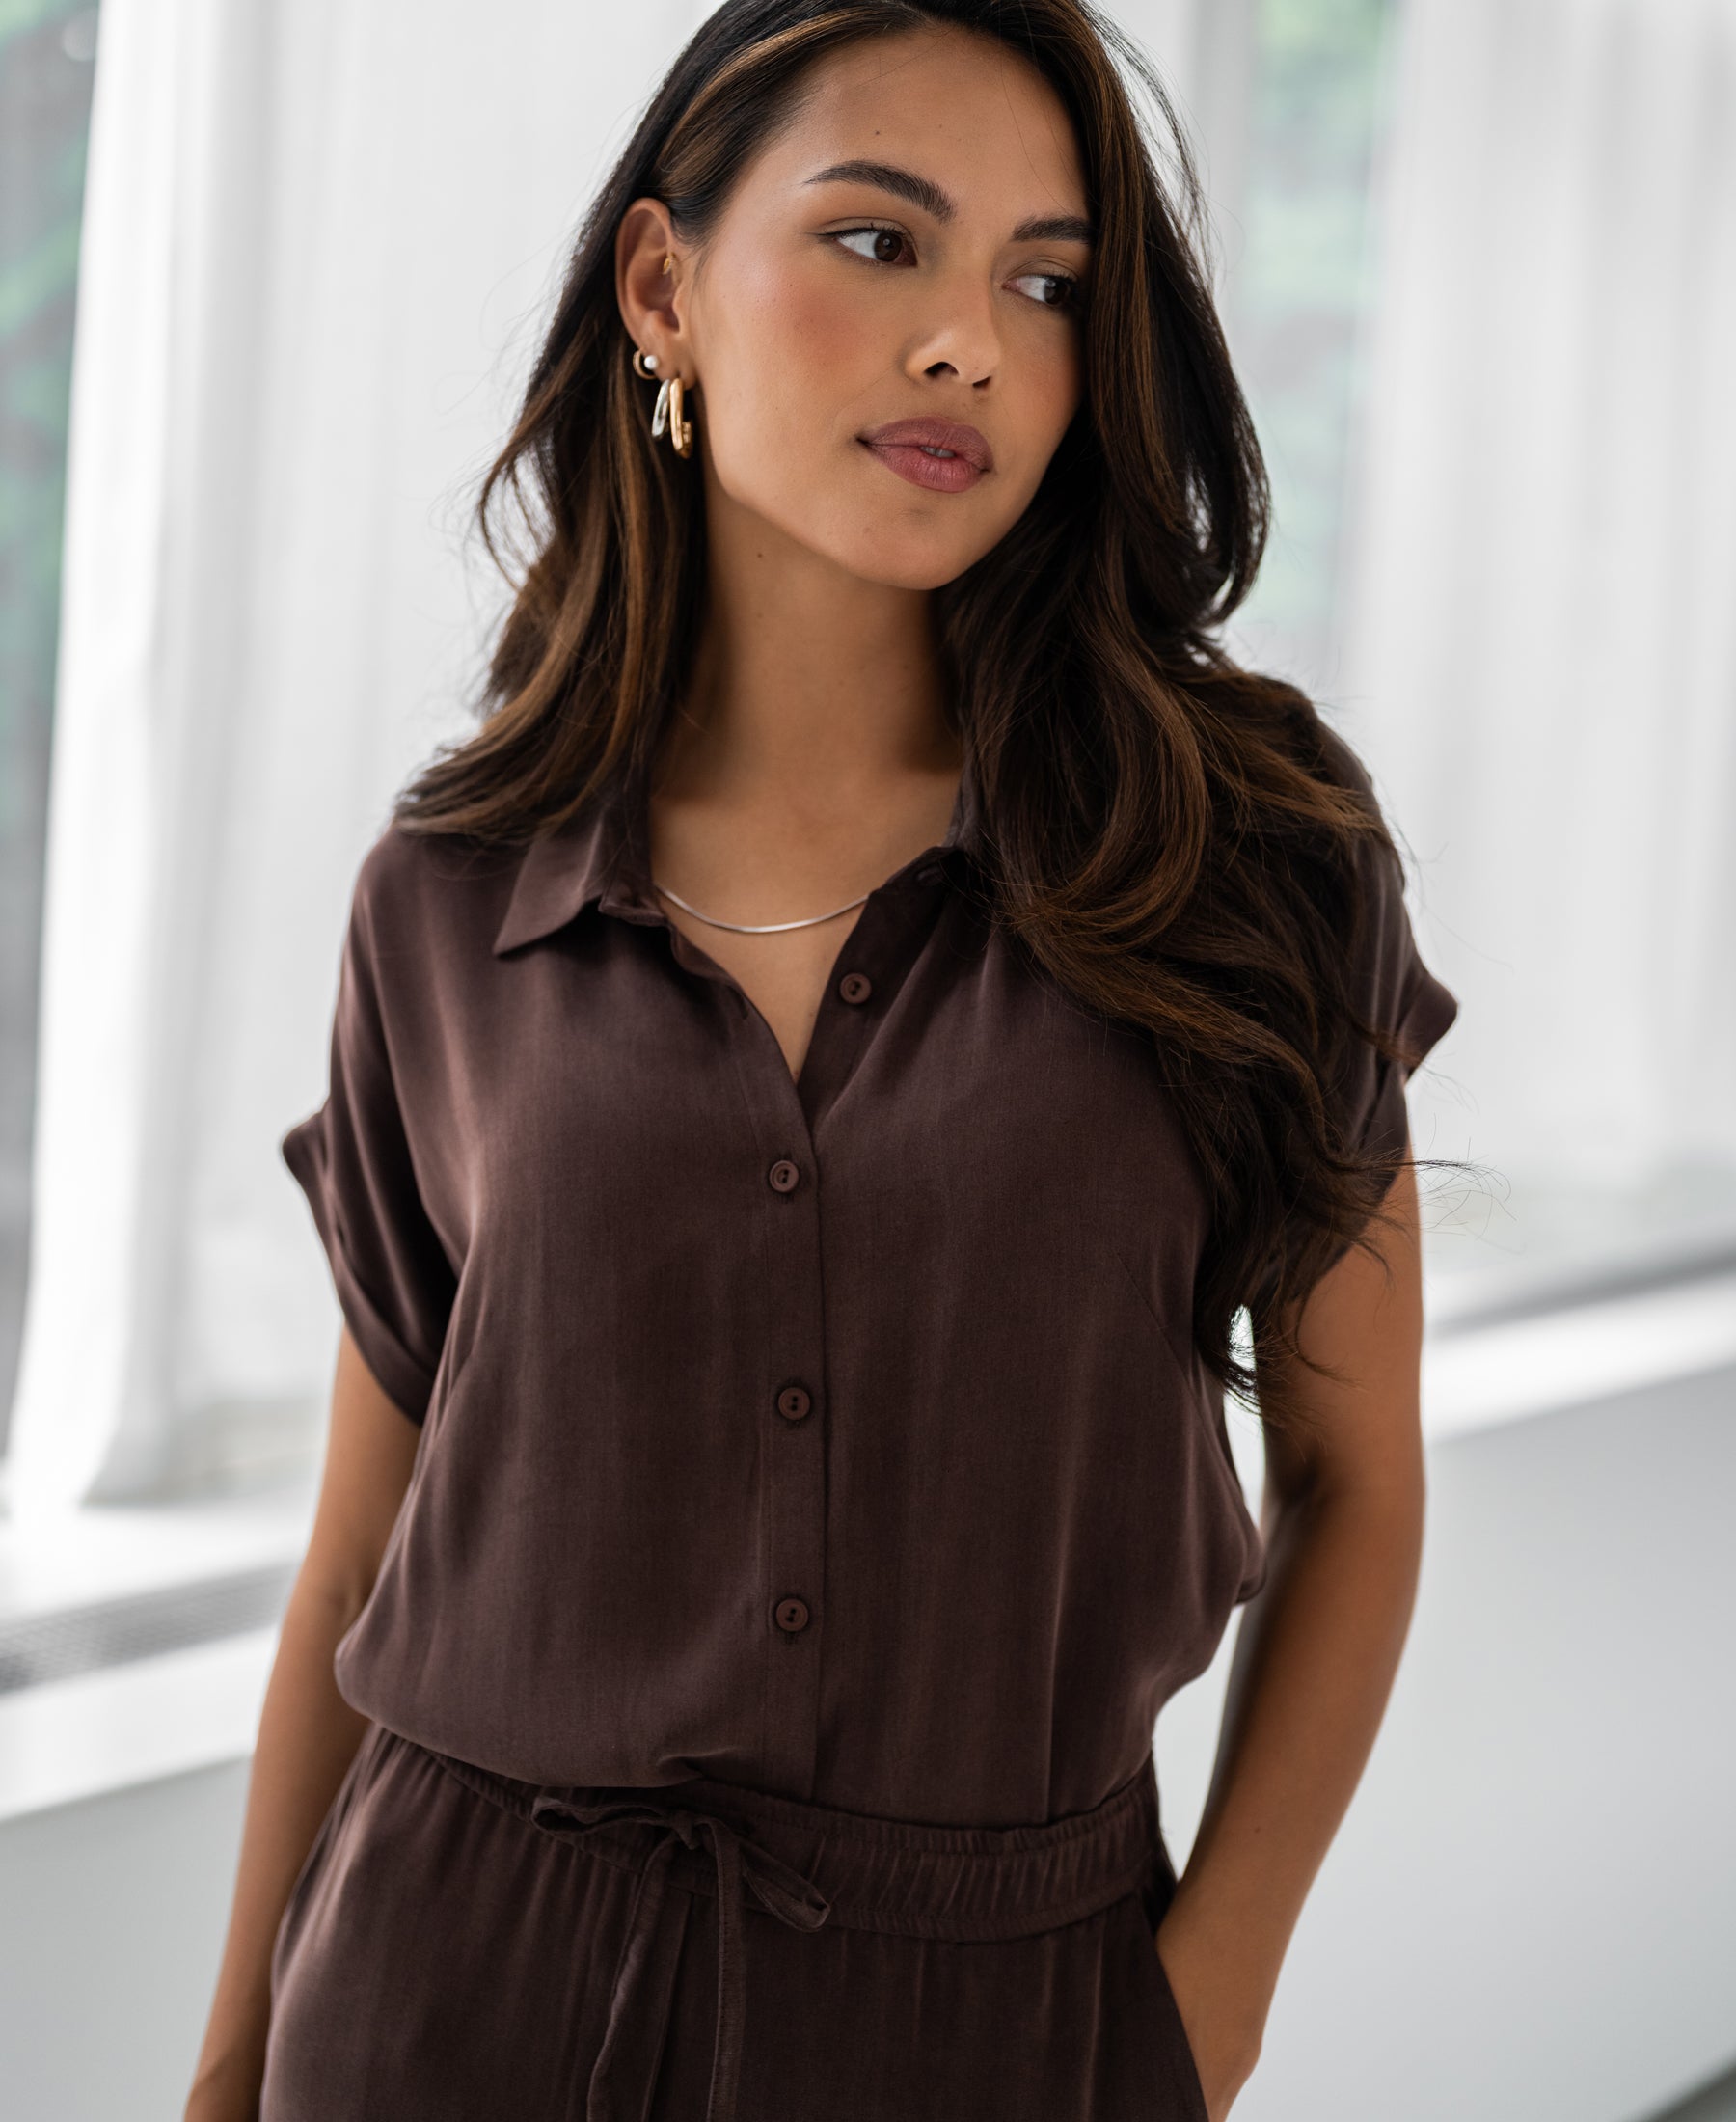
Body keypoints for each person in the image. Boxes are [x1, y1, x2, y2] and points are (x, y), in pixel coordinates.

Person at [185, 3, 1458, 2118]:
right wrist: (230, 2072)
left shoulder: (1247, 860)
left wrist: (1195, 2016)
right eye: (883, 243)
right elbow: (361, 1554)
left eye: (1045, 283)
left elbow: (1359, 1483)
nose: (968, 341)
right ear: (664, 289)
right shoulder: (448, 895)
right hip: (440, 1997)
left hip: (1000, 2025)